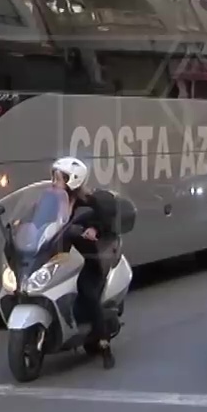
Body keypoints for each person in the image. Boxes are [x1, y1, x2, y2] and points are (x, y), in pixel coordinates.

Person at [51, 156, 120, 369]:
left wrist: (94, 229)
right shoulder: (54, 200)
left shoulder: (89, 203)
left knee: (87, 291)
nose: (54, 182)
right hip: (64, 257)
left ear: (72, 180)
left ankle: (104, 344)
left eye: (58, 178)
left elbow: (105, 223)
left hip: (89, 258)